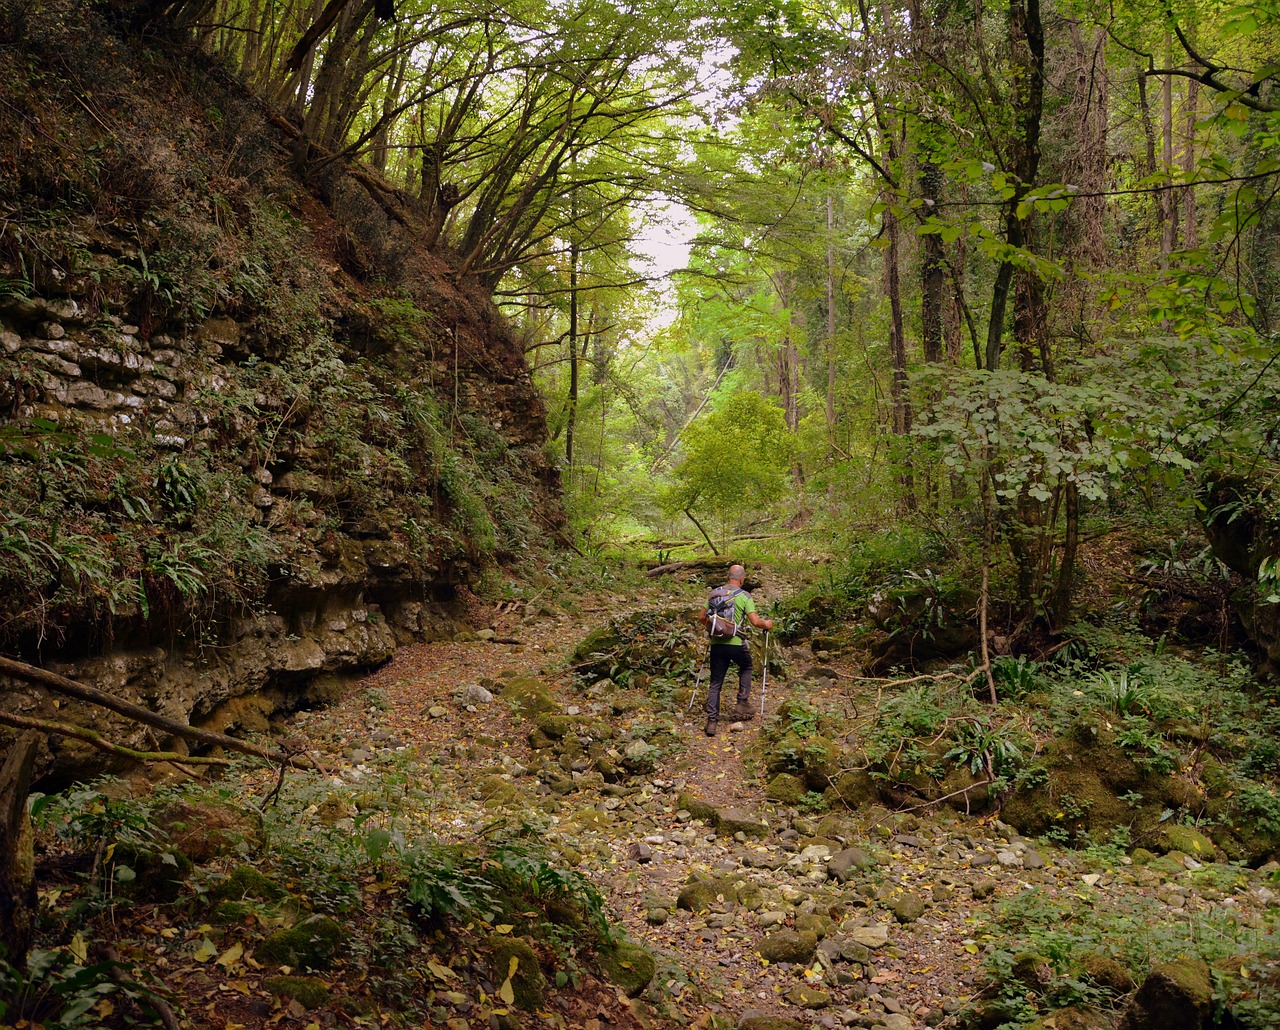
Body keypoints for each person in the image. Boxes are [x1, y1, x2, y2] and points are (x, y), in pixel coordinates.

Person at [699, 564, 773, 737]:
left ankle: (711, 721)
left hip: (717, 644)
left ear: (727, 577)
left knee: (716, 682)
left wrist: (713, 629)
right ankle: (741, 702)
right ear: (742, 579)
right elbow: (755, 621)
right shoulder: (745, 596)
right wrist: (767, 624)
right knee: (746, 667)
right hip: (736, 643)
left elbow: (702, 617)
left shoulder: (713, 594)